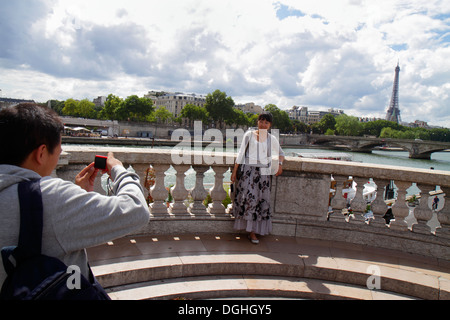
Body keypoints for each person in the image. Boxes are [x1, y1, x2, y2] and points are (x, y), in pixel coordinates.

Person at [0, 103, 150, 293]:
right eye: (59, 146)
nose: (61, 152)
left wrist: (77, 195)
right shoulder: (52, 197)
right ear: (41, 153)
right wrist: (119, 171)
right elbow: (136, 211)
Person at [230, 112, 285, 244]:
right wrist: (235, 171)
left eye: (266, 122)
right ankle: (251, 231)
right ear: (257, 122)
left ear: (270, 125)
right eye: (261, 121)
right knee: (249, 199)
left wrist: (280, 165)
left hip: (263, 173)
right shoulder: (249, 135)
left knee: (260, 200)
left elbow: (281, 153)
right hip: (249, 172)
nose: (263, 124)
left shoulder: (271, 138)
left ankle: (253, 231)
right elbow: (241, 153)